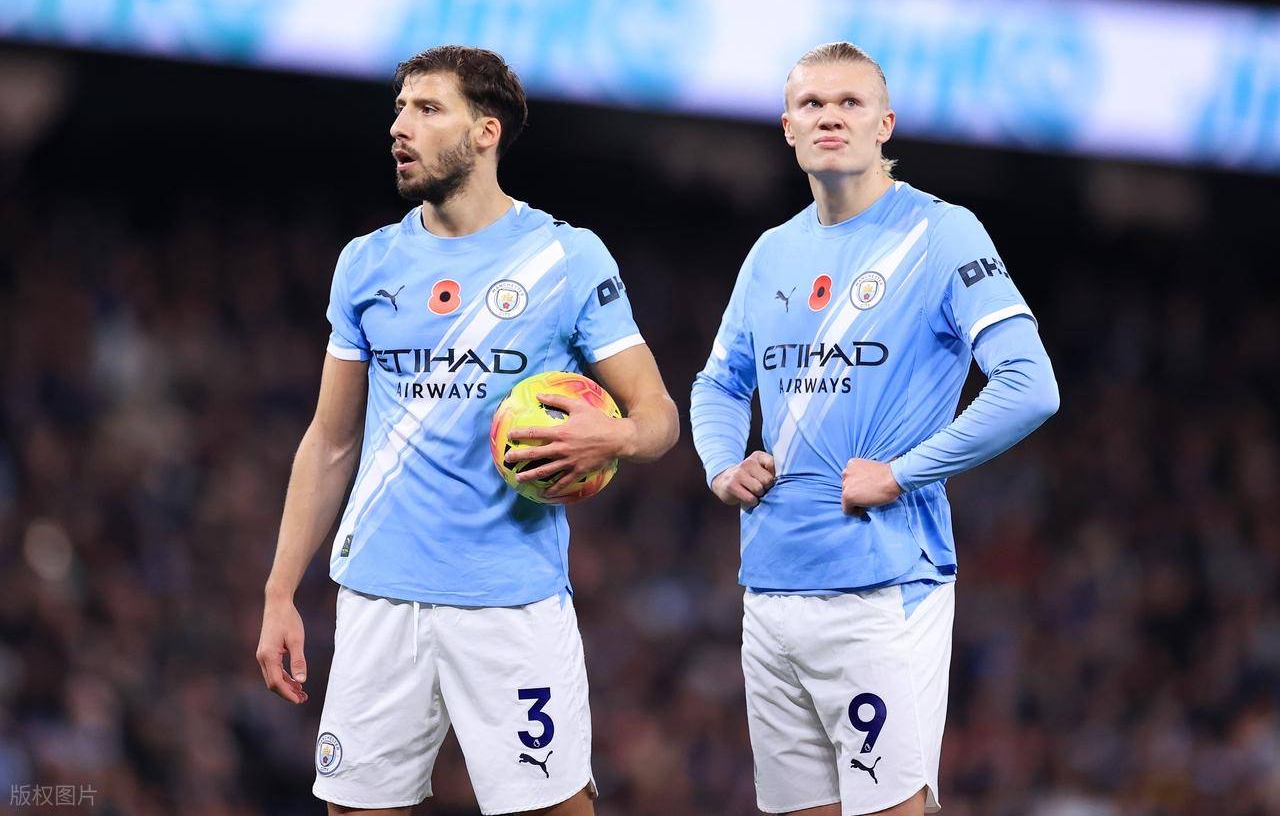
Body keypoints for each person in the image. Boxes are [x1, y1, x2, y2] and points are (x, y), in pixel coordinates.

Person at [255, 45, 678, 816]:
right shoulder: (366, 263)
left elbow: (658, 416)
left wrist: (611, 438)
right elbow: (330, 439)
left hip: (511, 599)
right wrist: (281, 590)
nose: (400, 127)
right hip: (379, 593)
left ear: (486, 132)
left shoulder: (566, 257)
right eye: (399, 109)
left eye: (427, 109)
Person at [690, 42, 1059, 816]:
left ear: (884, 123)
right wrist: (723, 462)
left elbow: (1030, 385)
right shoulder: (771, 253)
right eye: (812, 103)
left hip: (883, 586)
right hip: (770, 588)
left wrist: (902, 472)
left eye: (850, 102)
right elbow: (719, 382)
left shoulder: (942, 233)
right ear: (788, 127)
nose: (830, 116)